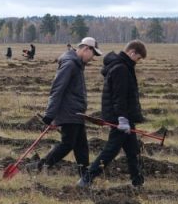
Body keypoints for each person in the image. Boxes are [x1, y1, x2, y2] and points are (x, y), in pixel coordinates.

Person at [81, 40, 148, 188]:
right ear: (132, 53)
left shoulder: (124, 66)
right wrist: (122, 119)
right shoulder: (121, 69)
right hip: (121, 117)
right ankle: (87, 179)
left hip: (125, 116)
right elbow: (120, 96)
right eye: (138, 58)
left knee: (133, 151)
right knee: (111, 150)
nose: (137, 62)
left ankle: (138, 182)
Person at [36, 37, 101, 182]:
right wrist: (50, 115)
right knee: (68, 144)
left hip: (76, 112)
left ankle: (85, 176)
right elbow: (57, 89)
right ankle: (41, 165)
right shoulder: (70, 64)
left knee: (81, 146)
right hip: (68, 111)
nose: (93, 58)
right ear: (86, 49)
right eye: (93, 54)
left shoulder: (77, 64)